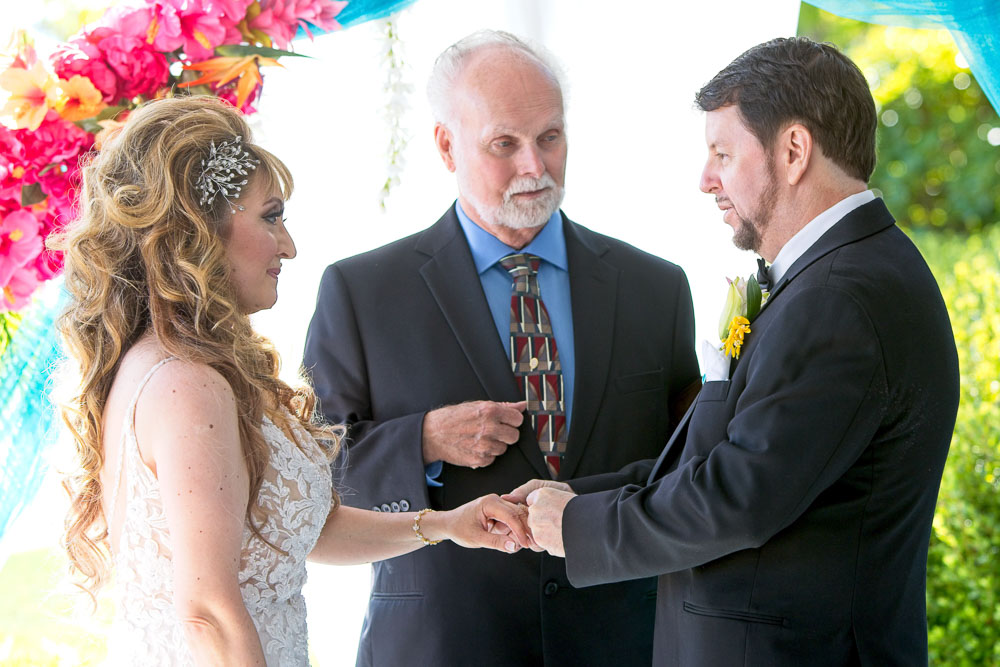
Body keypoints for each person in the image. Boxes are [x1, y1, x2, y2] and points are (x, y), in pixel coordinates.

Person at [512, 36, 961, 666]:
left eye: (723, 153)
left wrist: (581, 530)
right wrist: (566, 501)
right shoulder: (834, 278)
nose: (705, 180)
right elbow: (714, 460)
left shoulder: (841, 297)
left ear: (794, 151)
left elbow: (739, 497)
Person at [54, 95, 531, 667]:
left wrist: (445, 524)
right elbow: (207, 610)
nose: (289, 246)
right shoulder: (186, 384)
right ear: (198, 230)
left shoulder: (185, 365)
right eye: (271, 216)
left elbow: (299, 530)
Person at [302, 30, 701, 667]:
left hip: (619, 641)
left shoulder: (656, 287)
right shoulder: (361, 291)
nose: (534, 168)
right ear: (444, 145)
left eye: (550, 137)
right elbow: (313, 477)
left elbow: (687, 465)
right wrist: (423, 440)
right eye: (504, 145)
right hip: (442, 644)